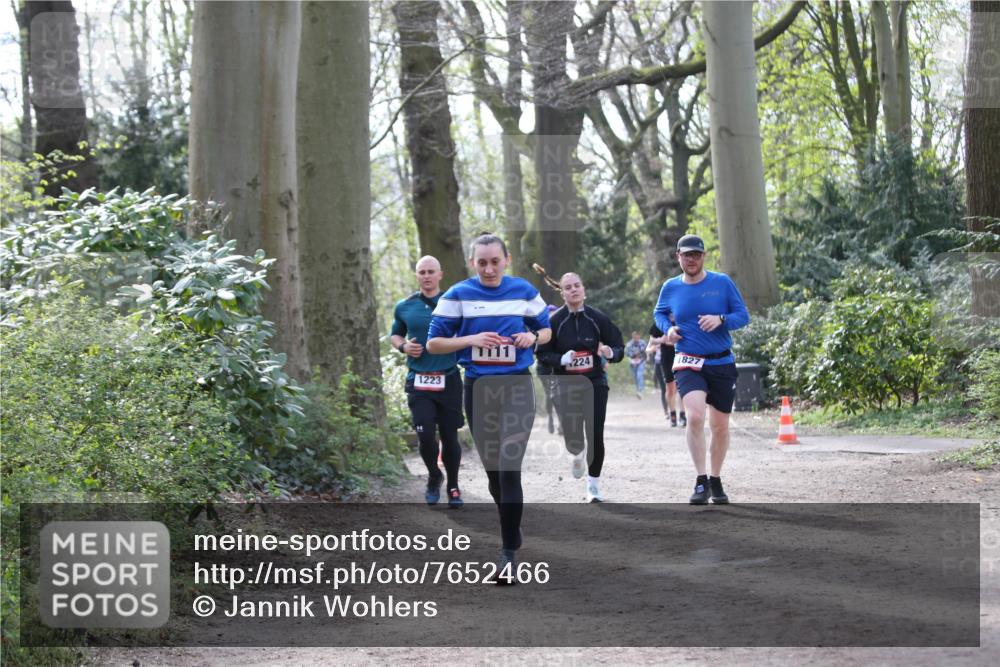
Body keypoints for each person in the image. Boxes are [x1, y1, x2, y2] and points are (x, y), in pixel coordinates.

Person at [426, 233, 551, 583]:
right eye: (482, 263)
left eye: (495, 261)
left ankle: (508, 554)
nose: (489, 269)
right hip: (478, 389)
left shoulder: (523, 290)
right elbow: (433, 343)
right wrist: (471, 339)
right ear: (472, 263)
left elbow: (547, 331)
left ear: (506, 260)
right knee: (494, 473)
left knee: (509, 468)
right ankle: (511, 526)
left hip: (517, 386)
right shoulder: (457, 295)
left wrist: (532, 337)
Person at [653, 234, 749, 505]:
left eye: (696, 254)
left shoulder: (722, 283)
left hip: (721, 362)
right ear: (678, 257)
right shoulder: (670, 287)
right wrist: (668, 329)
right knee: (695, 417)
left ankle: (715, 479)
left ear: (704, 256)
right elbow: (659, 314)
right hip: (688, 361)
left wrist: (721, 319)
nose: (691, 259)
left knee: (720, 427)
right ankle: (700, 479)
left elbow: (743, 316)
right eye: (687, 255)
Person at [536, 272, 624, 502]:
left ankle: (593, 485)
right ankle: (577, 453)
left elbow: (618, 345)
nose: (573, 290)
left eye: (577, 285)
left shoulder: (597, 318)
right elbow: (542, 354)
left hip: (595, 382)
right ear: (562, 293)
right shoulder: (554, 322)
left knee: (595, 434)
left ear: (583, 289)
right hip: (565, 385)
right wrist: (561, 359)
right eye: (568, 287)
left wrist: (611, 352)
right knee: (573, 436)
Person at [390, 256, 465, 508]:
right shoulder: (405, 306)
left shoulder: (454, 304)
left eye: (431, 271)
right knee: (424, 435)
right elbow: (395, 334)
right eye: (422, 272)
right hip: (418, 382)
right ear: (417, 276)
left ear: (440, 274)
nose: (426, 276)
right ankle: (434, 476)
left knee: (450, 436)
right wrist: (403, 346)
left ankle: (453, 485)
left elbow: (467, 333)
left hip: (448, 378)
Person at [647, 324, 685, 427]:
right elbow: (652, 340)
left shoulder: (682, 319)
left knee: (682, 387)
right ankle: (673, 415)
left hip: (682, 356)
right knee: (670, 388)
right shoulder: (660, 322)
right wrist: (661, 340)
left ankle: (683, 415)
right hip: (667, 358)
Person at [536, 304, 562, 436]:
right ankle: (551, 417)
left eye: (554, 313)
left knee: (560, 394)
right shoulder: (541, 329)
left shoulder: (562, 327)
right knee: (550, 394)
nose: (552, 315)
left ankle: (562, 423)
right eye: (550, 313)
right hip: (544, 368)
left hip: (559, 366)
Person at [624, 331, 646, 398]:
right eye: (635, 337)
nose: (636, 338)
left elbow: (645, 351)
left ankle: (640, 391)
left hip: (641, 361)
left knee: (639, 375)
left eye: (637, 336)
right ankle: (638, 391)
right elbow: (627, 353)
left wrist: (640, 356)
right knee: (635, 377)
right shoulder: (629, 344)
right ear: (633, 337)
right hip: (633, 362)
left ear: (639, 336)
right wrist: (634, 355)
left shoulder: (643, 343)